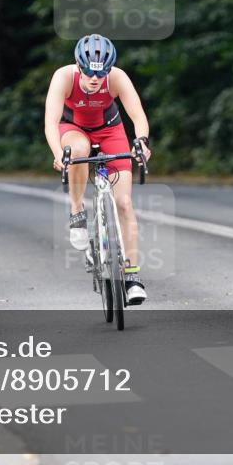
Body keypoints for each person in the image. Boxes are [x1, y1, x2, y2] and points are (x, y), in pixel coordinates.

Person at [44, 34, 152, 305]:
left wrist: (141, 142)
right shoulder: (63, 77)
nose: (95, 78)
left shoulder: (117, 78)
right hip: (73, 129)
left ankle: (132, 277)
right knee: (78, 150)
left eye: (102, 73)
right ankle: (77, 211)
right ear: (78, 66)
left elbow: (137, 115)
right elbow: (50, 122)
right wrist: (58, 154)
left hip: (110, 130)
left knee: (124, 203)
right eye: (90, 72)